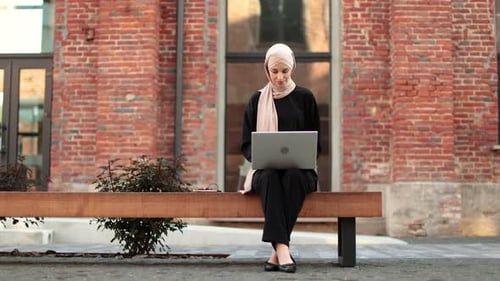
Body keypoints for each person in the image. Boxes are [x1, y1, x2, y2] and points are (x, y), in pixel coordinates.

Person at [240, 43, 321, 273]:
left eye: (284, 71)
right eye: (275, 72)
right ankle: (283, 251)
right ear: (267, 71)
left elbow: (316, 142)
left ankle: (277, 253)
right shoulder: (256, 101)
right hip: (265, 171)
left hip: (301, 171)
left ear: (292, 69)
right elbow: (246, 143)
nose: (280, 77)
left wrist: (303, 155)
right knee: (269, 178)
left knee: (293, 177)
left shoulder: (305, 98)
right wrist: (263, 155)